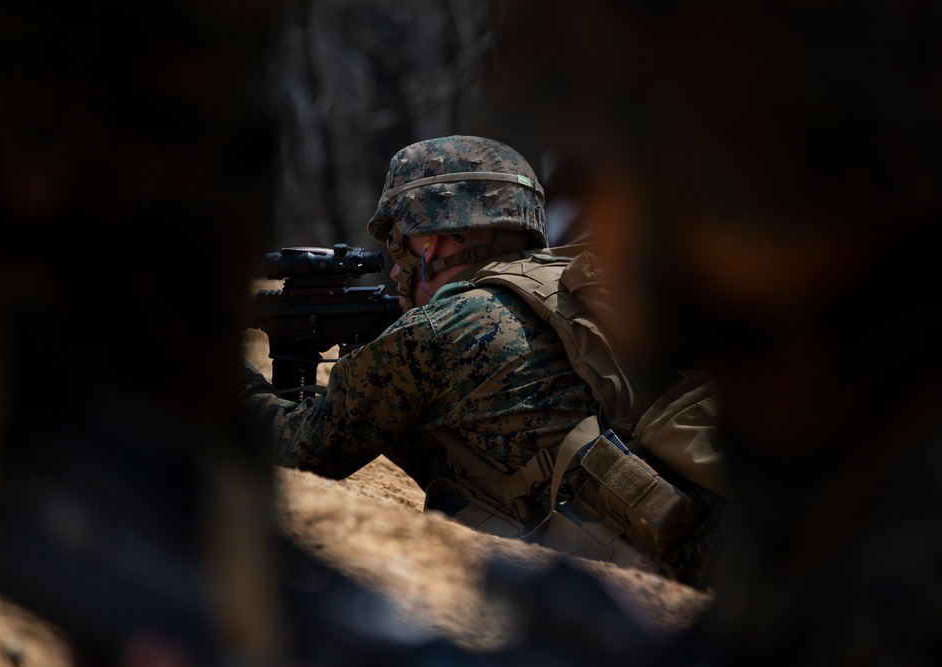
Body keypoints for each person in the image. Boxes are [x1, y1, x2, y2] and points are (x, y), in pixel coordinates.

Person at [240, 135, 728, 589]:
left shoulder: (441, 330)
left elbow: (301, 451)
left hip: (647, 581)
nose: (394, 266)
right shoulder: (574, 288)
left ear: (437, 237)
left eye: (402, 240)